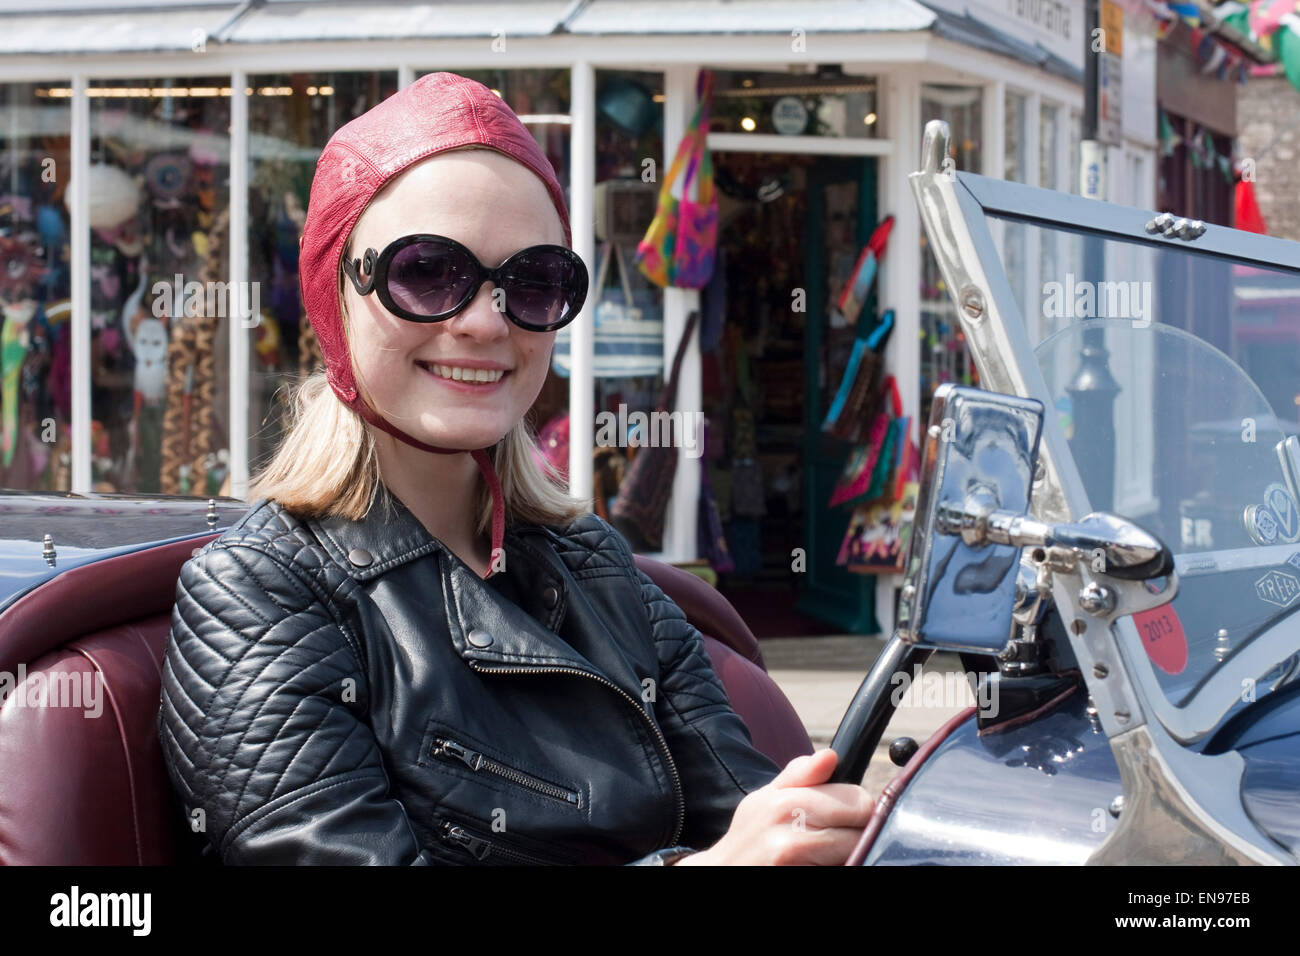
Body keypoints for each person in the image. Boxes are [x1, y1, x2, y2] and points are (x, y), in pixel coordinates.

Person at [157, 72, 873, 865]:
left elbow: (744, 815)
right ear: (337, 293)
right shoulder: (259, 593)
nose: (484, 323)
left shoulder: (596, 565)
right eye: (426, 272)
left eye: (533, 282)